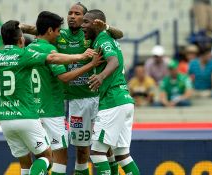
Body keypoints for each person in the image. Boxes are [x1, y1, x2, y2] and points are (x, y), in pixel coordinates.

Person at [0, 20, 97, 175]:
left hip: (5, 120)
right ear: (21, 39)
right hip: (26, 116)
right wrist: (81, 56)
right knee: (47, 157)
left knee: (25, 164)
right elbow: (53, 58)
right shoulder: (24, 55)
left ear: (3, 40)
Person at [20, 3, 124, 174]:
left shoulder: (90, 34)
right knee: (79, 148)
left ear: (85, 20)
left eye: (77, 14)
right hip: (71, 99)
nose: (72, 16)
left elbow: (119, 35)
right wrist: (22, 27)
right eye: (70, 13)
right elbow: (41, 30)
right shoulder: (60, 36)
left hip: (93, 97)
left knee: (101, 145)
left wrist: (105, 26)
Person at [27, 11, 103, 175]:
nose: (59, 33)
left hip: (32, 110)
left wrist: (23, 28)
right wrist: (90, 63)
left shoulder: (28, 49)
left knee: (42, 156)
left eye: (77, 14)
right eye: (57, 30)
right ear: (50, 30)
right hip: (52, 110)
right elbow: (64, 77)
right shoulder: (50, 50)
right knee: (60, 155)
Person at [82, 9, 140, 175]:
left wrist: (100, 76)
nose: (82, 26)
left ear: (96, 24)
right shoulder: (109, 38)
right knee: (122, 155)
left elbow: (113, 61)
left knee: (98, 153)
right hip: (124, 100)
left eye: (86, 22)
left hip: (113, 101)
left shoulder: (103, 39)